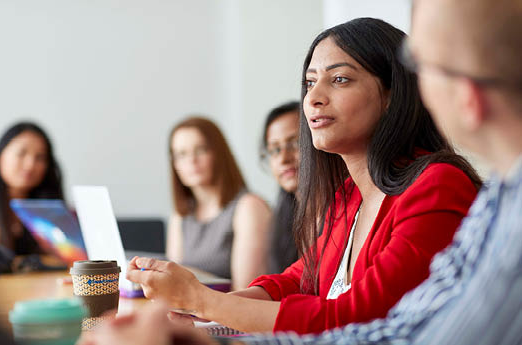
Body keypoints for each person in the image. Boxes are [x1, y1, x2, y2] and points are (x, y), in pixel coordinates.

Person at [78, 0, 522, 342]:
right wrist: (206, 307)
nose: (313, 98)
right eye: (310, 82)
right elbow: (300, 280)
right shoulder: (350, 192)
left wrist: (202, 301)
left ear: (394, 94)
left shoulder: (438, 185)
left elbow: (358, 319)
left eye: (340, 79)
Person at [165, 116, 271, 290]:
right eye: (181, 154)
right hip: (189, 313)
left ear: (218, 154)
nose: (191, 160)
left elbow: (244, 293)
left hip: (229, 314)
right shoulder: (180, 215)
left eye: (201, 150)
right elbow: (173, 286)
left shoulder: (249, 207)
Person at [0, 122, 64, 255]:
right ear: (1, 157)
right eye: (21, 153)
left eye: (40, 157)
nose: (30, 165)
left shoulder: (51, 208)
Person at [260, 101, 300, 274]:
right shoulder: (282, 219)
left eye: (295, 143)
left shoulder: (344, 213)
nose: (284, 158)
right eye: (275, 150)